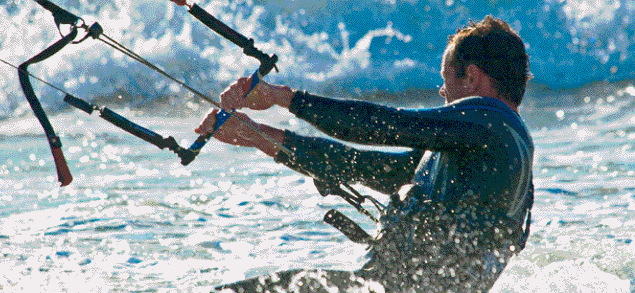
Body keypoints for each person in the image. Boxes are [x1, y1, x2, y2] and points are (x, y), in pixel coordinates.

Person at [198, 16, 534, 292]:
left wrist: (284, 98)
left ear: (472, 77)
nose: (442, 91)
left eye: (445, 80)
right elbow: (369, 167)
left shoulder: (488, 123)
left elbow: (383, 125)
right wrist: (260, 136)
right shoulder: (491, 144)